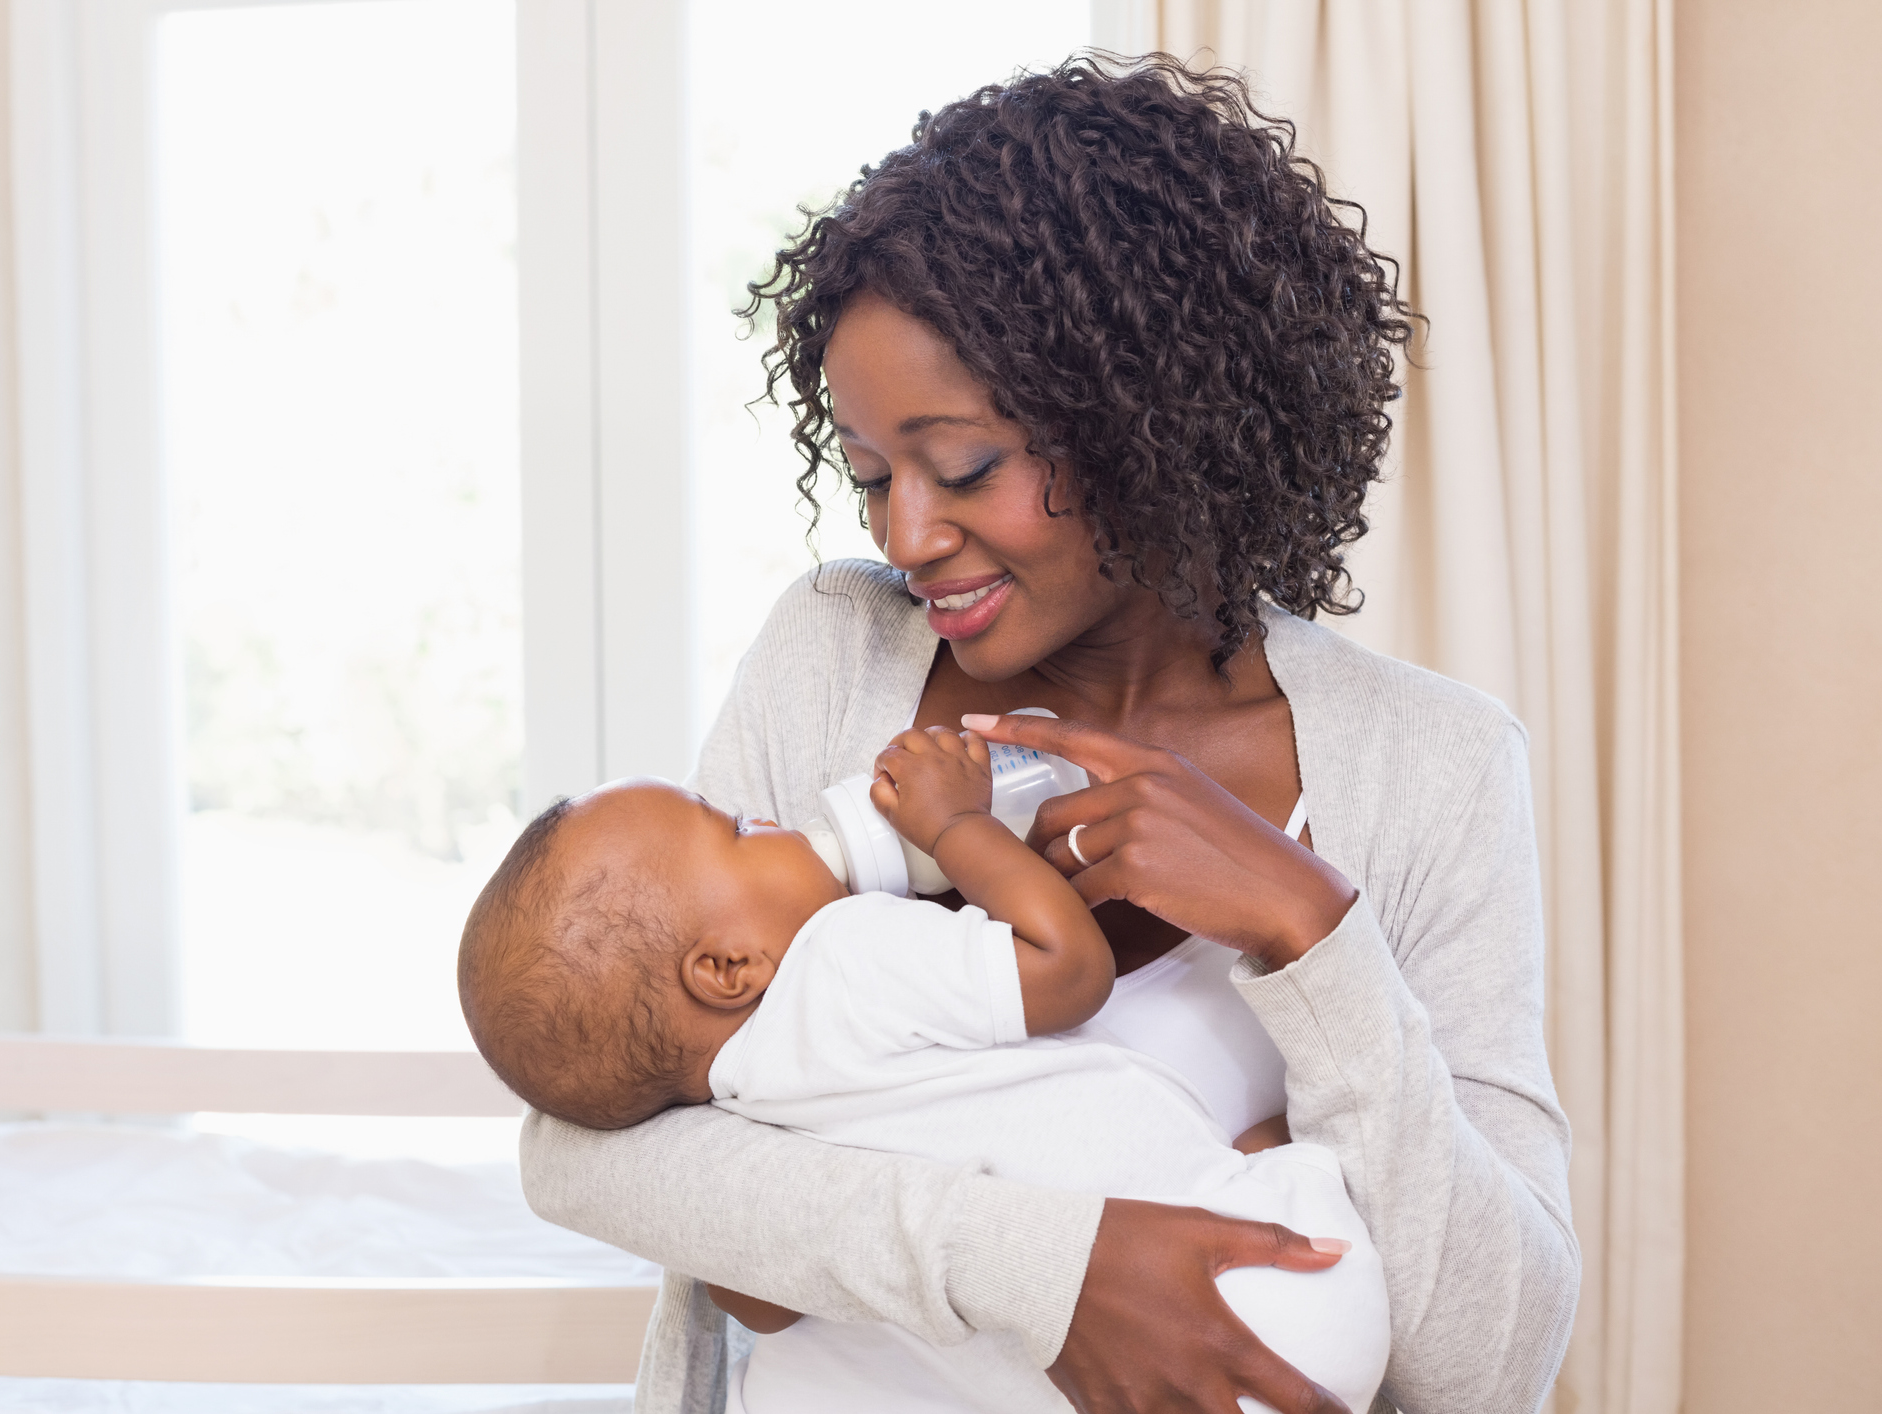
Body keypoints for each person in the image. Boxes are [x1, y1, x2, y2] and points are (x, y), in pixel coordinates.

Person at [518, 54, 1577, 1414]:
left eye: (963, 469)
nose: (906, 536)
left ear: (1155, 422)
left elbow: (1494, 1359)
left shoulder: (1430, 767)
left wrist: (1314, 935)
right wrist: (1056, 1271)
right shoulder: (835, 658)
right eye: (869, 473)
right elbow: (594, 1154)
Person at [458, 728, 1391, 1412]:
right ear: (726, 970)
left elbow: (763, 1302)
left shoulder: (735, 1099)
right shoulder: (841, 957)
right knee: (1291, 1169)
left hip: (1125, 1362)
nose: (774, 816)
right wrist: (956, 829)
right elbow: (1066, 971)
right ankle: (1279, 1169)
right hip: (1280, 1324)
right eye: (741, 830)